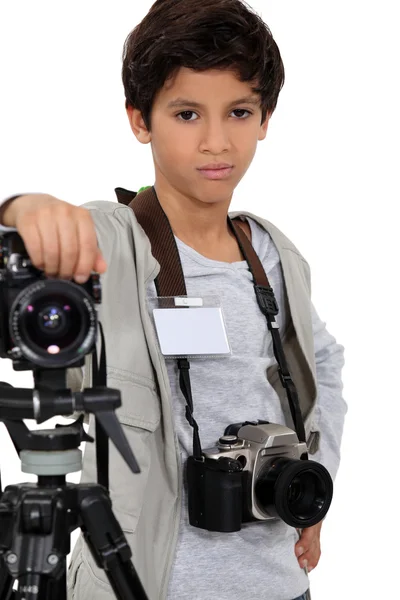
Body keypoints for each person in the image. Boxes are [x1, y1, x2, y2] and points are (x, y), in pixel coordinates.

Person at [0, 1, 347, 599]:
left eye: (239, 112)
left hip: (279, 584)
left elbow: (325, 366)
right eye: (187, 114)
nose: (217, 141)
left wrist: (311, 489)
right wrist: (22, 210)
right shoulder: (112, 240)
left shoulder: (273, 254)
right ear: (141, 120)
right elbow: (36, 244)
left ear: (265, 118)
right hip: (144, 580)